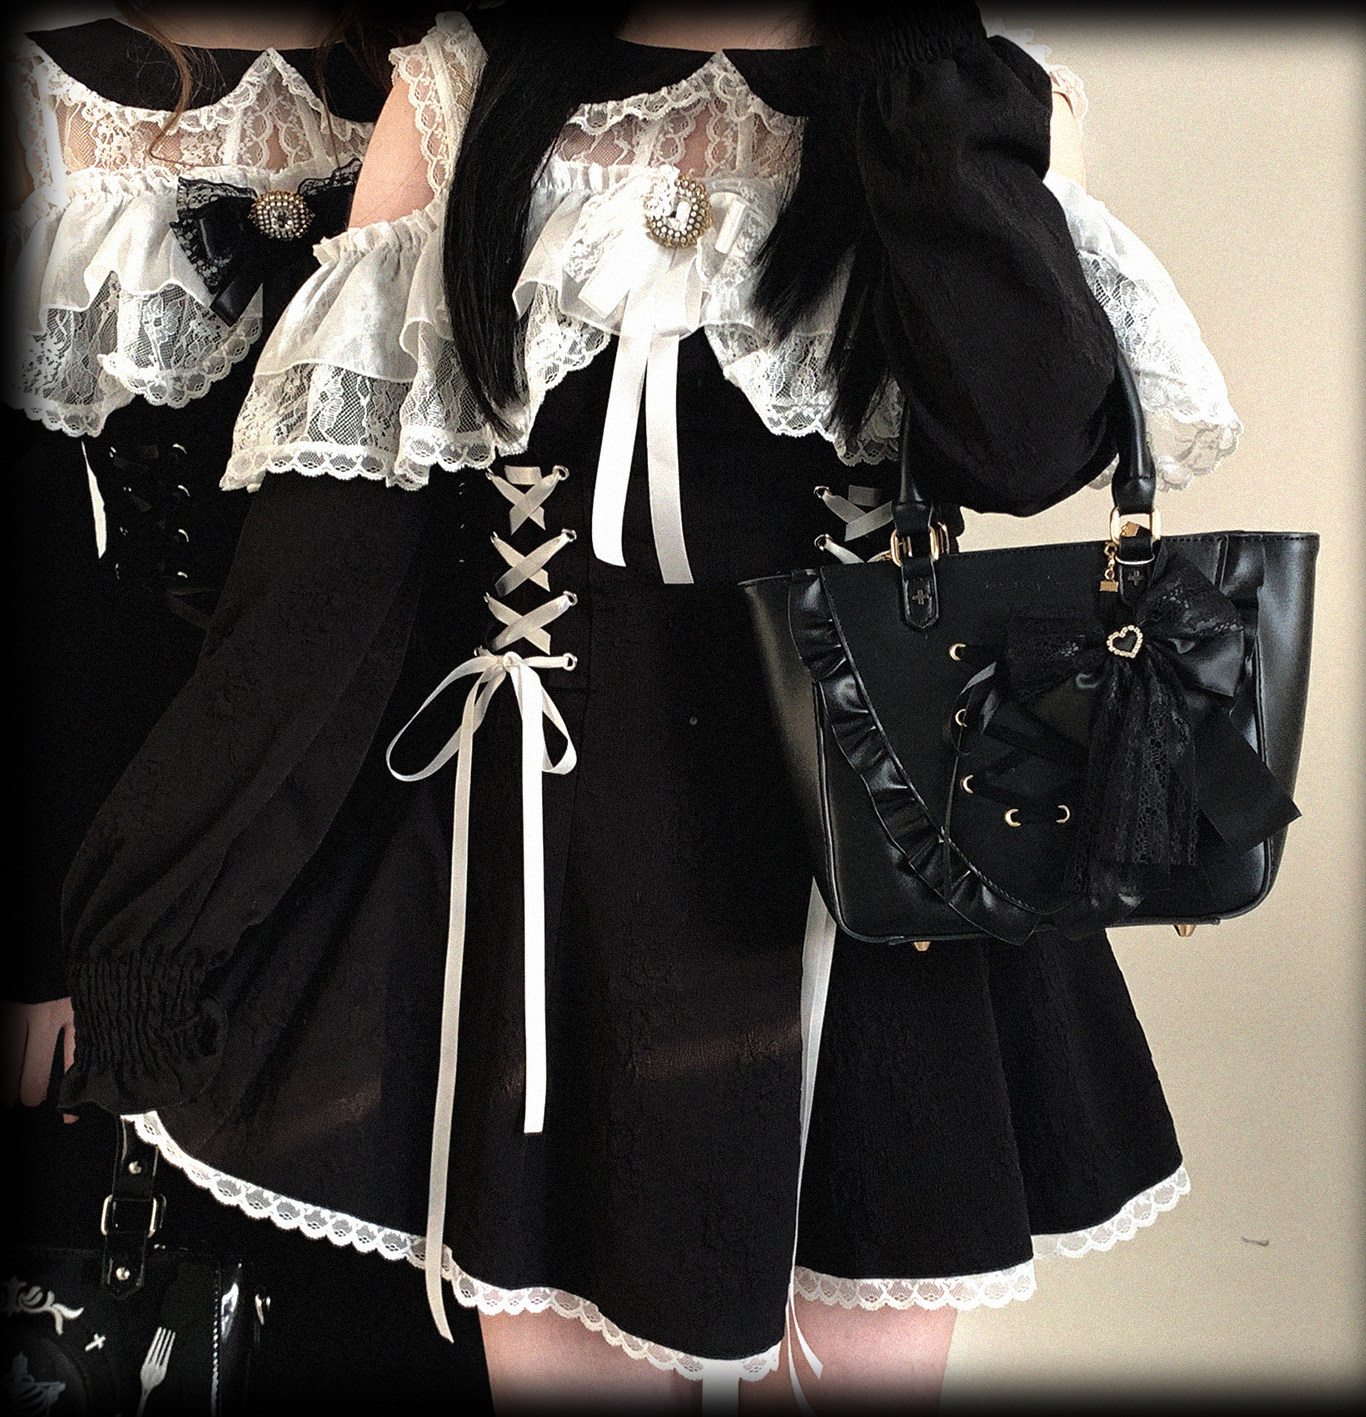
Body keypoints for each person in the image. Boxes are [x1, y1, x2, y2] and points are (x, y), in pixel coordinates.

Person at [52, 3, 1241, 1409]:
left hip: (879, 869)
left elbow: (1026, 449)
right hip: (547, 872)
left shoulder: (982, 103)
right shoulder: (462, 93)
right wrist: (160, 916)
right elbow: (322, 594)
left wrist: (929, 98)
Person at [1, 4, 493, 1405]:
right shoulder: (42, 99)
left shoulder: (467, 82)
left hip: (411, 843)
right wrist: (37, 934)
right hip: (123, 847)